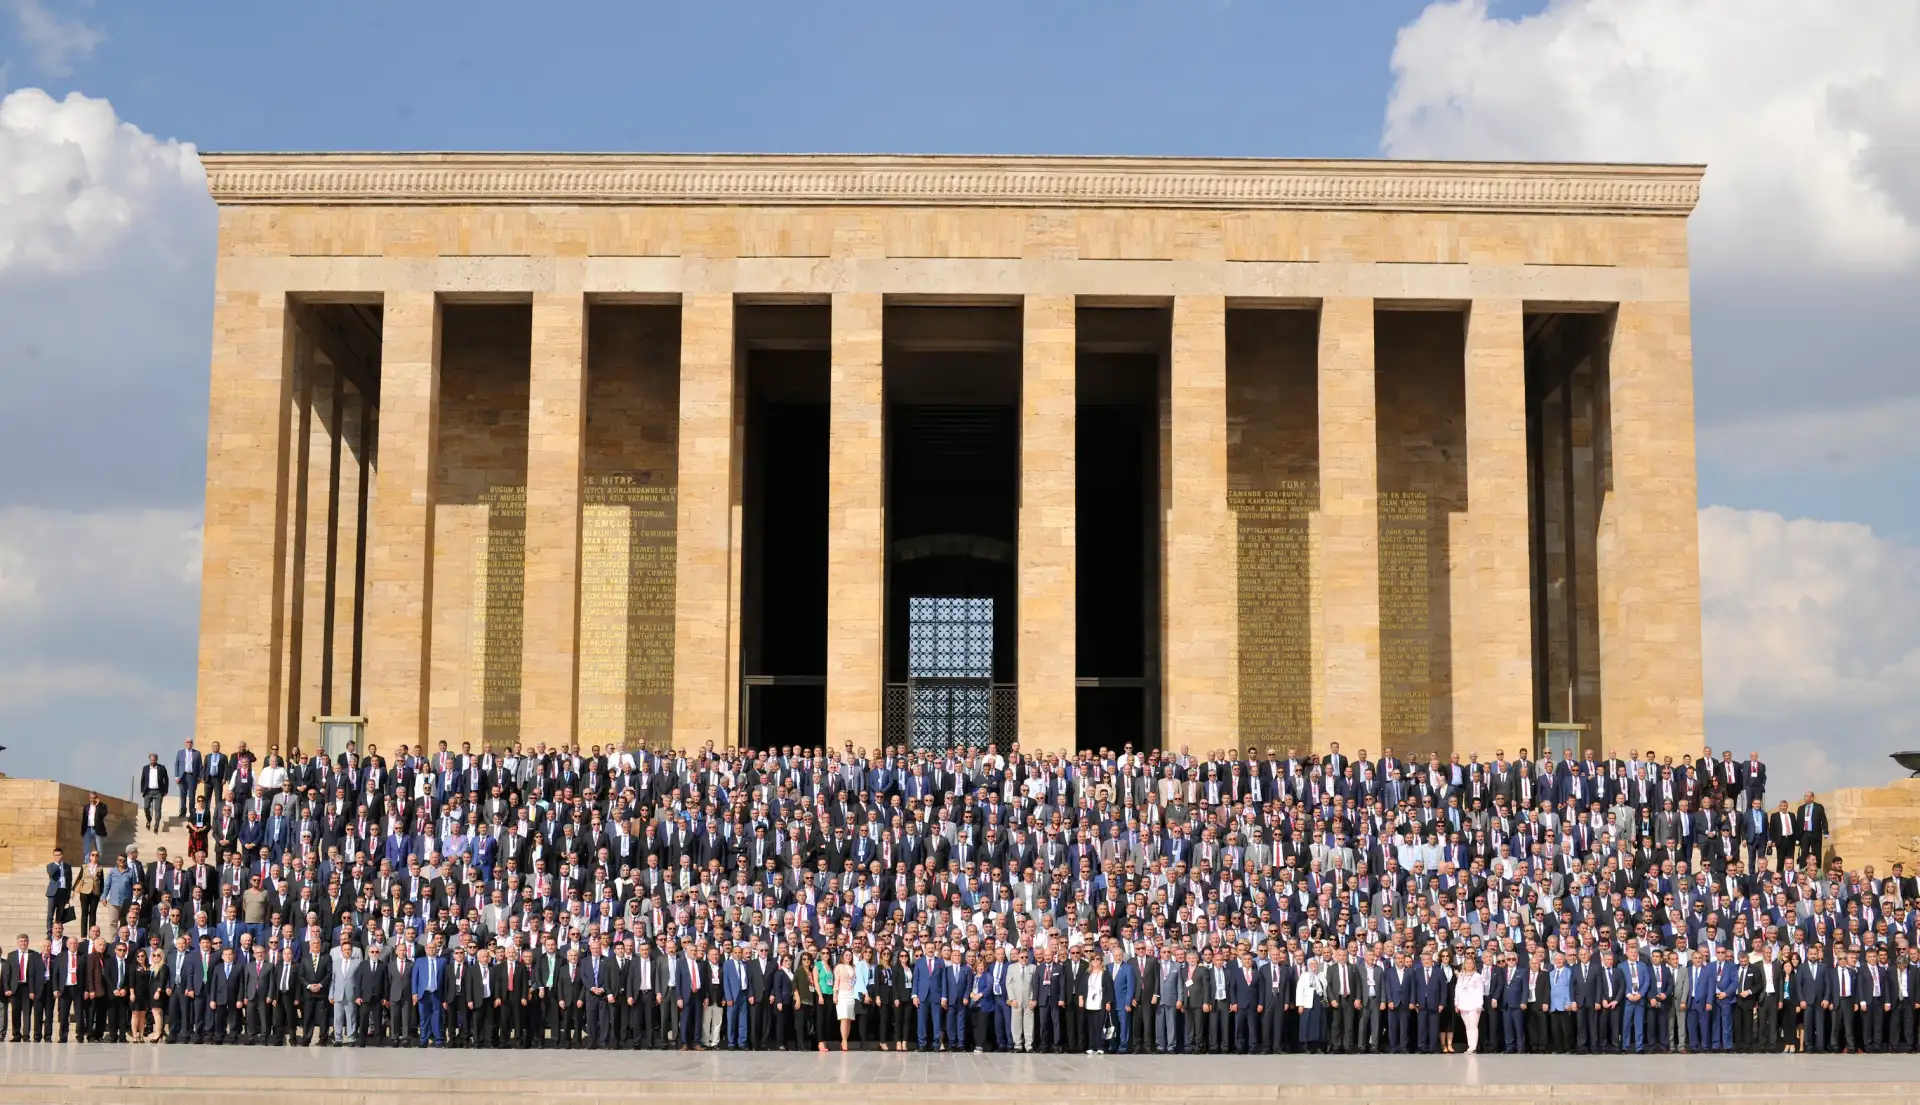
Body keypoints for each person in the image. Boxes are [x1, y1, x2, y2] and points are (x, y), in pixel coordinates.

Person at [1455, 952, 1488, 1055]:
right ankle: (1470, 1045)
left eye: (1471, 963)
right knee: (1468, 1027)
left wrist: (1479, 1005)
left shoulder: (1477, 976)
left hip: (1474, 1005)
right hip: (1463, 1005)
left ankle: (1473, 1047)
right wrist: (1456, 1003)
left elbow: (1480, 991)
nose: (1469, 965)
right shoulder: (1461, 976)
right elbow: (1457, 990)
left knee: (1473, 1026)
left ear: (1474, 965)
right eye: (1467, 963)